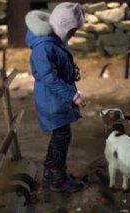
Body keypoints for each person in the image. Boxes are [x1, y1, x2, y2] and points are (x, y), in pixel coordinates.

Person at [25, 2, 86, 193]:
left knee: (60, 134)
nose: (74, 34)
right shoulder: (44, 47)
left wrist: (72, 72)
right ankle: (57, 179)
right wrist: (71, 95)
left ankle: (51, 171)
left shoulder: (55, 40)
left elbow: (59, 66)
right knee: (62, 135)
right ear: (62, 26)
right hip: (51, 101)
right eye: (72, 30)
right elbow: (49, 77)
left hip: (56, 98)